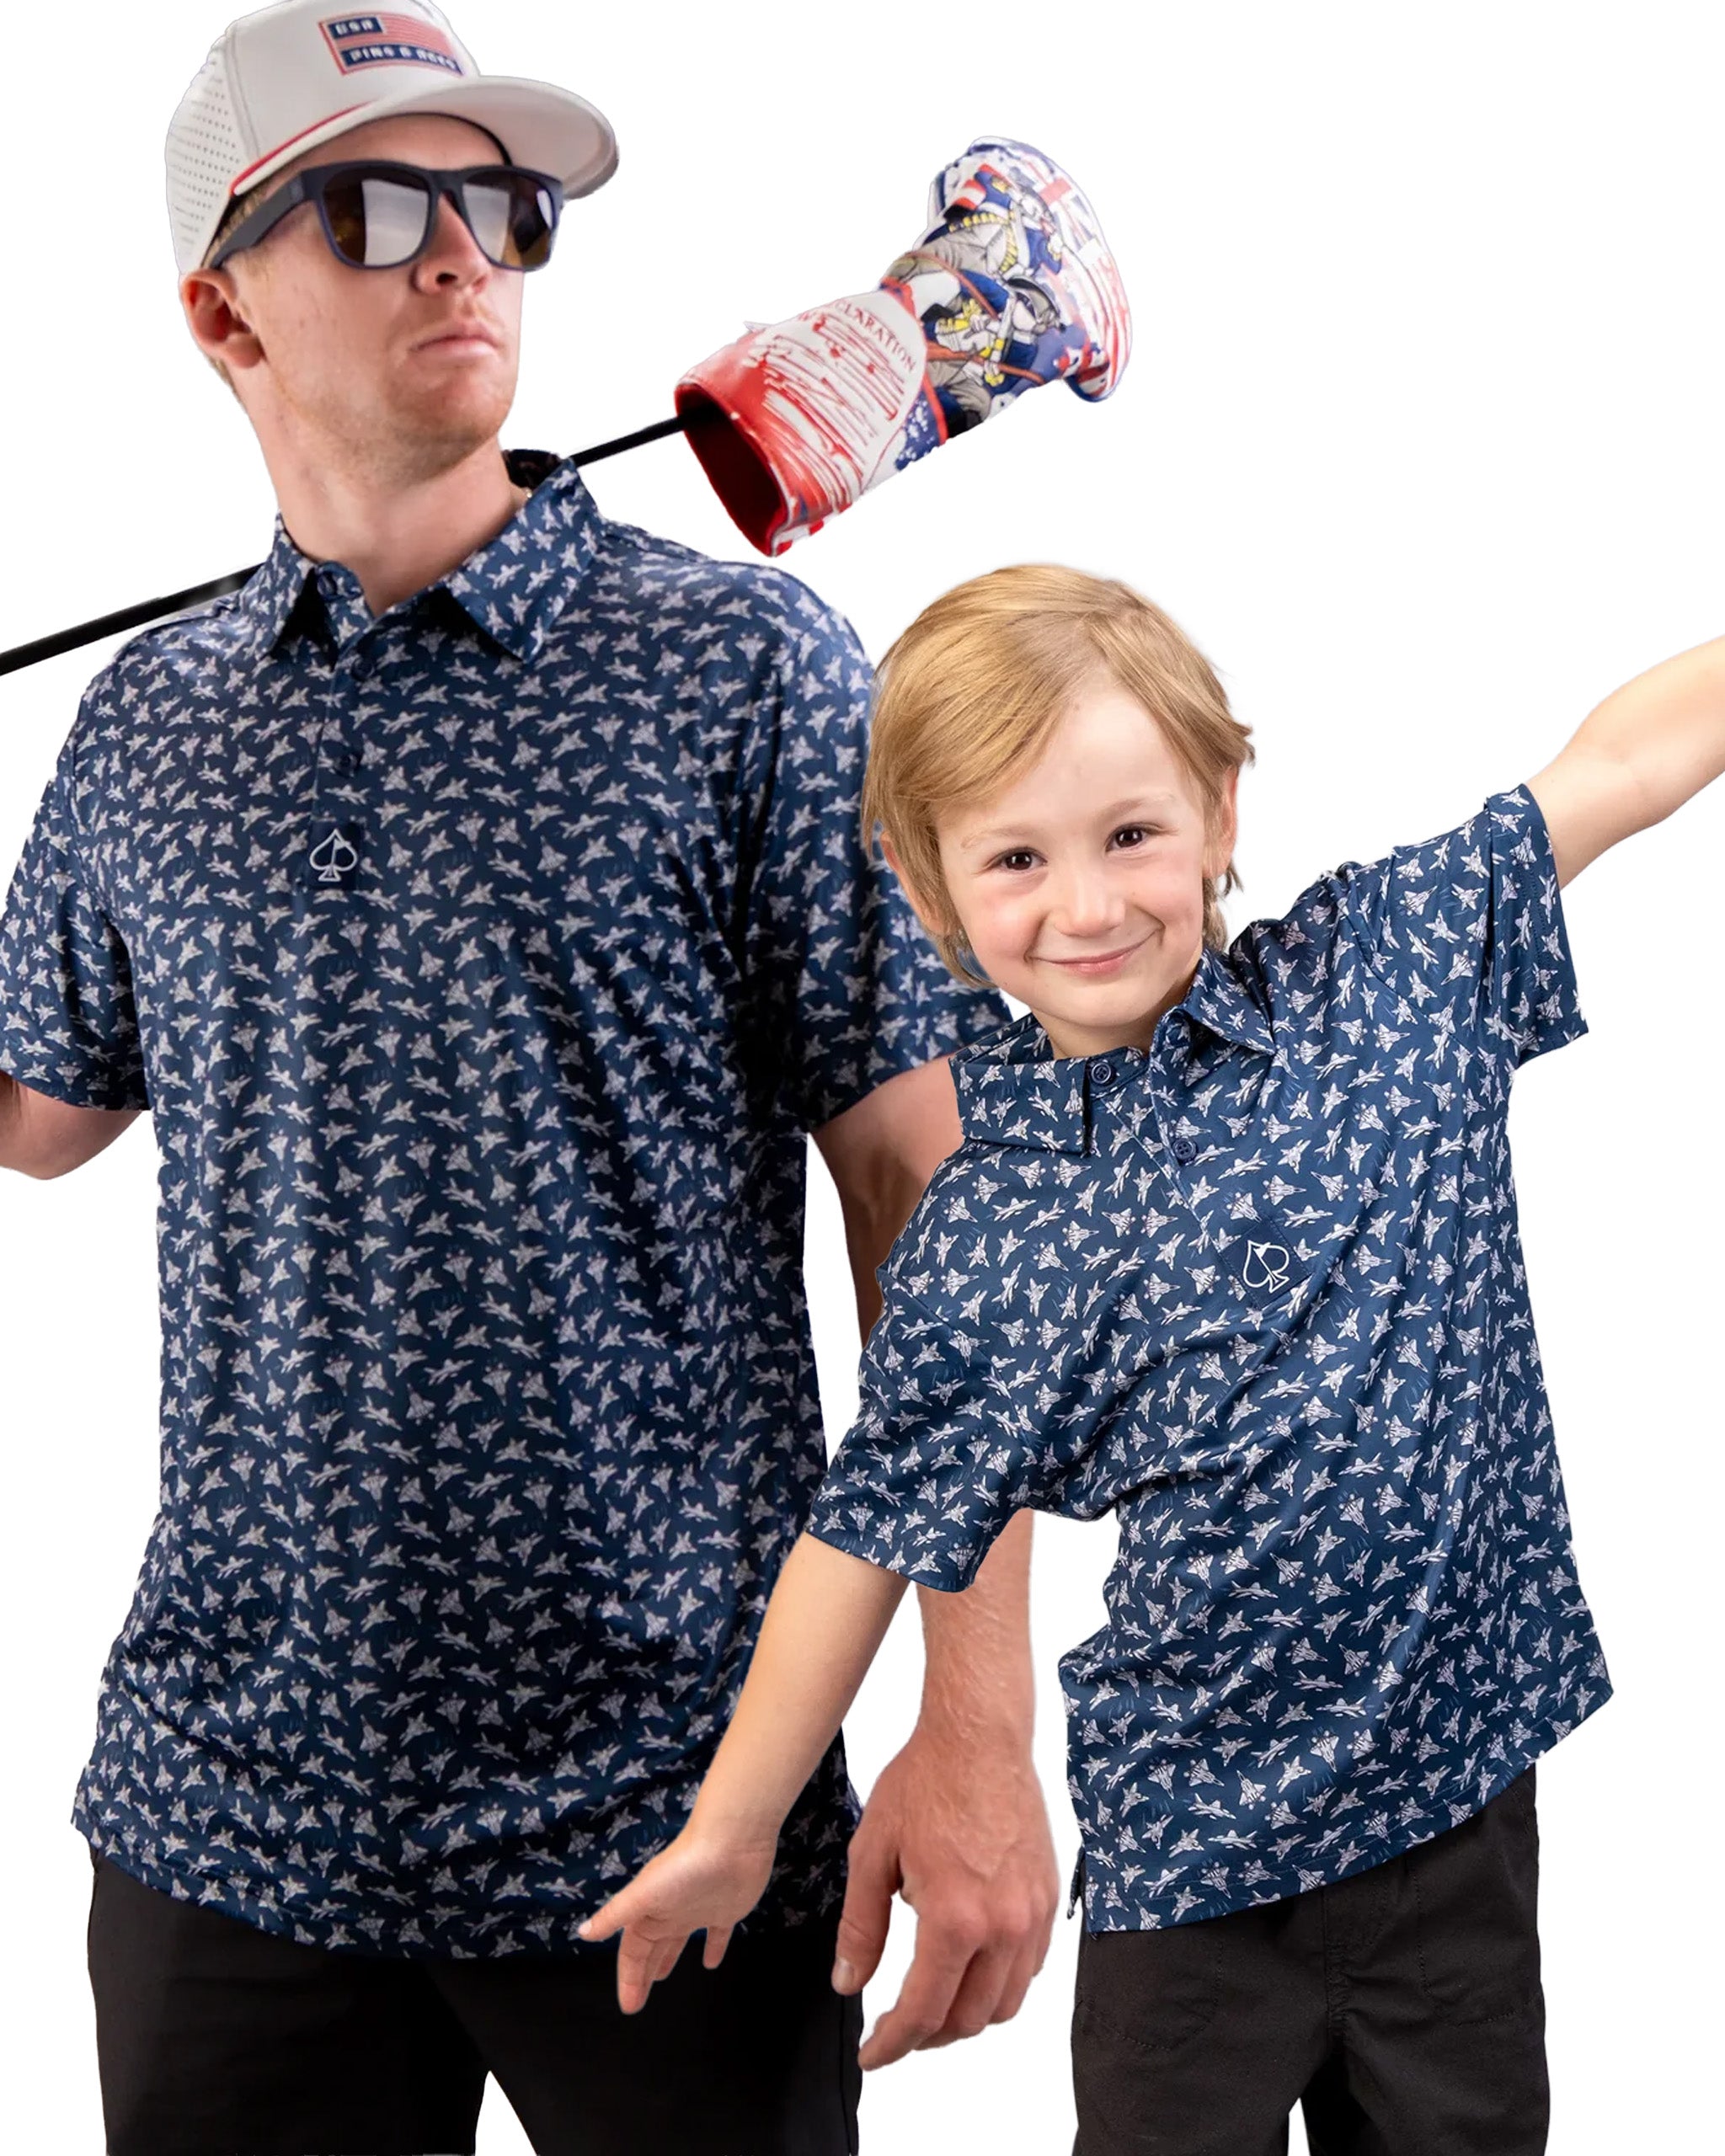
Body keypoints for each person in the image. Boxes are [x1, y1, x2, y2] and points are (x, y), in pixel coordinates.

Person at [0, 5, 1065, 2152]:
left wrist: (972, 1716)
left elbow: (938, 1204)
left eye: (503, 208)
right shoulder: (147, 724)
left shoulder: (739, 671)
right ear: (223, 310)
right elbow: (38, 1115)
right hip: (230, 1822)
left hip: (680, 1807)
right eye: (379, 206)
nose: (461, 257)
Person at [578, 558, 1725, 2154]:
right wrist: (733, 1822)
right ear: (927, 888)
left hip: (1456, 1812)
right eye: (1018, 859)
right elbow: (861, 1540)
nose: (1091, 904)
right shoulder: (989, 1236)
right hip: (1195, 1879)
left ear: (1222, 811)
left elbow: (1617, 769)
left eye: (1132, 834)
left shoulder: (1385, 975)